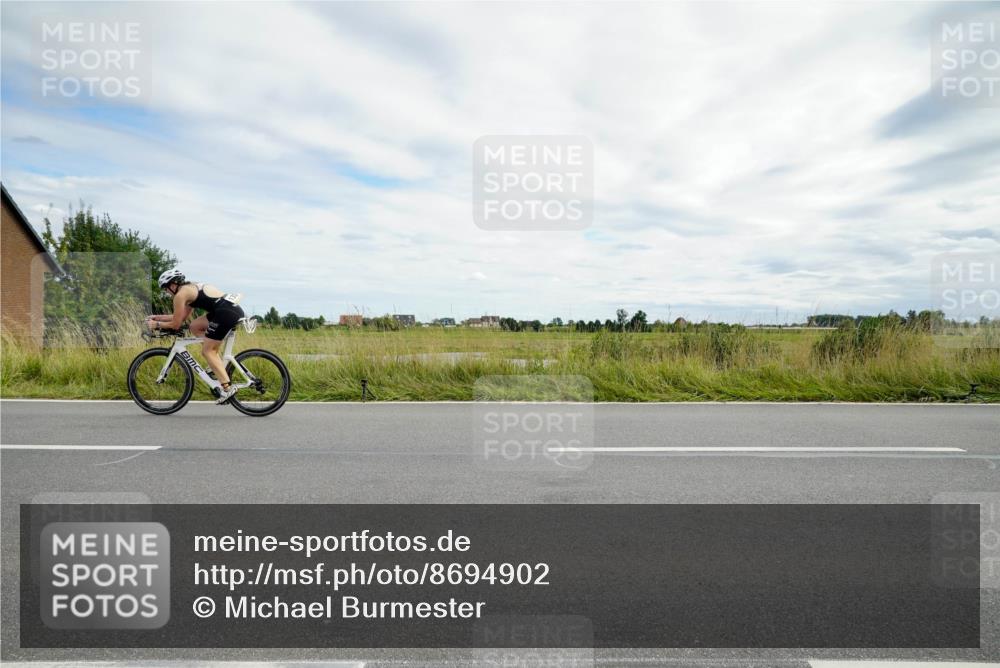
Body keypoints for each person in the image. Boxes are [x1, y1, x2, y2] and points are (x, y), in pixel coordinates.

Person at [147, 269, 245, 404]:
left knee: (207, 351)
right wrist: (157, 317)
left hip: (225, 312)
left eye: (165, 288)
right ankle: (215, 362)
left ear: (173, 285)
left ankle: (227, 388)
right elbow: (181, 317)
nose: (166, 292)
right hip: (228, 309)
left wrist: (156, 325)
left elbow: (176, 324)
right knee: (195, 326)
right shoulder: (189, 288)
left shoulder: (180, 296)